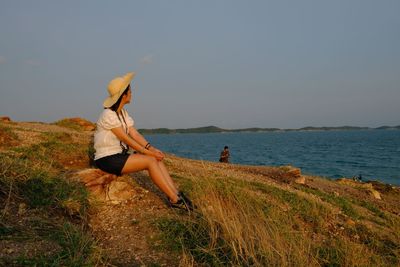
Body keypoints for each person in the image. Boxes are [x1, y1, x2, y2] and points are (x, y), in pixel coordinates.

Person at [93, 72, 193, 211]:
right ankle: (175, 200)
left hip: (119, 156)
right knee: (150, 161)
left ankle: (176, 193)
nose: (132, 94)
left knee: (157, 157)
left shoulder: (122, 113)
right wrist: (147, 153)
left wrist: (151, 149)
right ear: (124, 95)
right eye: (130, 91)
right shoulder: (108, 115)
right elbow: (125, 138)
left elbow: (134, 133)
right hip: (107, 158)